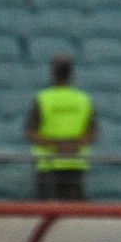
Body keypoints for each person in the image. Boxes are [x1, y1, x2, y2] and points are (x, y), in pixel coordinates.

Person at [25, 54, 98, 201]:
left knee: (48, 212)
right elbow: (93, 133)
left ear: (52, 73)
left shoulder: (43, 98)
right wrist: (73, 146)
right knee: (74, 216)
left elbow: (31, 132)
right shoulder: (84, 99)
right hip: (76, 163)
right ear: (72, 75)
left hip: (48, 164)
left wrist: (57, 146)